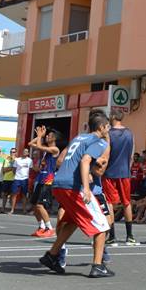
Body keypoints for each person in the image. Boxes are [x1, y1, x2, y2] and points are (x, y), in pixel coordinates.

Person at [38, 111, 113, 278]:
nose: (109, 129)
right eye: (108, 126)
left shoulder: (79, 138)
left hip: (59, 184)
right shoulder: (99, 142)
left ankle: (52, 255)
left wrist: (94, 164)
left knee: (72, 221)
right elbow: (85, 160)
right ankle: (98, 265)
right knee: (102, 225)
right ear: (101, 127)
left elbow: (63, 160)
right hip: (74, 186)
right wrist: (86, 187)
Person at [103, 112, 138, 247]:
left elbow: (105, 154)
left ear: (112, 117)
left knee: (110, 203)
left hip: (110, 172)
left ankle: (112, 237)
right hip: (124, 173)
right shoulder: (130, 133)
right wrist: (127, 168)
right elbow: (131, 155)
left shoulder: (108, 134)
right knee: (126, 202)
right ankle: (130, 237)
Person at [29, 126, 60, 237]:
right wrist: (38, 136)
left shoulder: (55, 149)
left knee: (40, 205)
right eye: (47, 135)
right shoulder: (46, 149)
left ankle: (50, 228)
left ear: (54, 139)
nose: (47, 136)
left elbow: (38, 146)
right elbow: (30, 144)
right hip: (41, 179)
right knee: (33, 204)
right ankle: (41, 226)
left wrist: (40, 137)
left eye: (49, 136)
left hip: (48, 180)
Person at [10, 147, 33, 214]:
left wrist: (26, 176)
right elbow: (14, 169)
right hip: (17, 178)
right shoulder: (17, 160)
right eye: (24, 151)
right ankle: (12, 210)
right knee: (14, 194)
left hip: (25, 179)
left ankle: (24, 210)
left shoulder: (30, 160)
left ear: (28, 153)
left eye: (26, 151)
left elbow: (30, 170)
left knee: (24, 195)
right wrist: (17, 175)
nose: (25, 152)